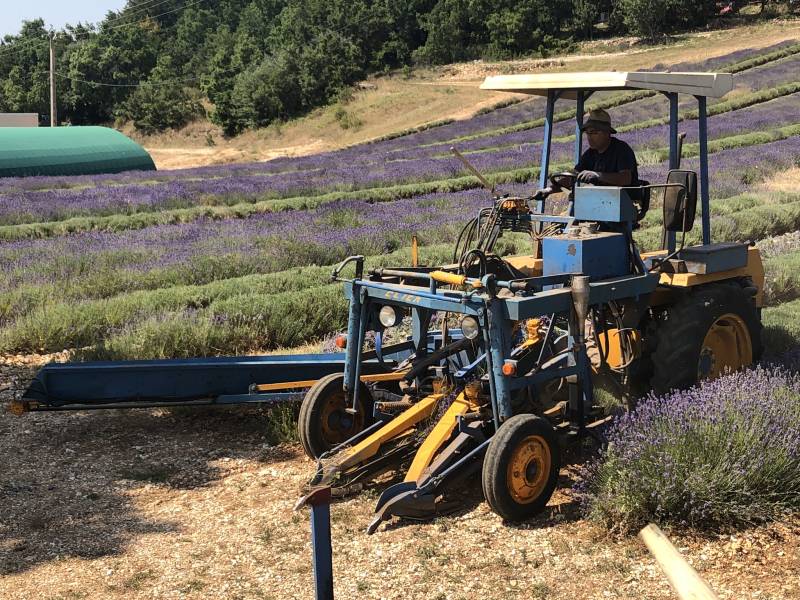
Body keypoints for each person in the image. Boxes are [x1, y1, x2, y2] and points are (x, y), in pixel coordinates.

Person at [574, 109, 639, 187]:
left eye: (593, 132)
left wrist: (599, 175)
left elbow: (625, 178)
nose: (589, 137)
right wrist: (558, 183)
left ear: (607, 133)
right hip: (601, 197)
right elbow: (575, 173)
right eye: (587, 133)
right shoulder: (590, 153)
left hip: (625, 198)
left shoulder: (622, 149)